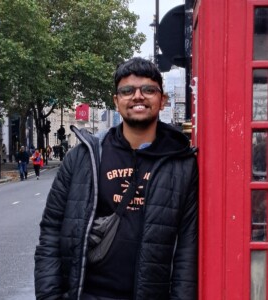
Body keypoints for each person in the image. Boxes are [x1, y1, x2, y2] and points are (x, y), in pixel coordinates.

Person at [34, 57, 198, 300]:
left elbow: (187, 248)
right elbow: (51, 232)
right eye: (127, 90)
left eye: (149, 90)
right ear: (116, 101)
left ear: (162, 100)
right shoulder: (82, 158)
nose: (138, 96)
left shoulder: (182, 163)